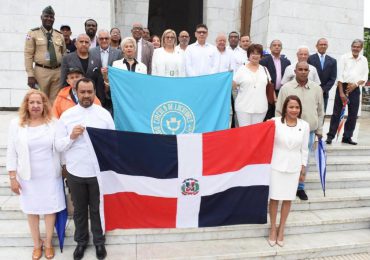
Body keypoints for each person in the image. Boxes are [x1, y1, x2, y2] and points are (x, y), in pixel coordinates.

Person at [55, 78, 115, 260]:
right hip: (75, 171)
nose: (87, 95)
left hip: (98, 172)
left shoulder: (104, 115)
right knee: (80, 210)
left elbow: (113, 142)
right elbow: (58, 145)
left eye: (90, 92)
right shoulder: (67, 116)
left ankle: (99, 241)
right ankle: (81, 241)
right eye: (83, 92)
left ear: (95, 92)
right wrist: (71, 137)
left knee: (97, 209)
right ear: (76, 92)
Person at [6, 89, 66, 259]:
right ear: (26, 105)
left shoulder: (54, 123)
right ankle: (36, 244)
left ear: (44, 105)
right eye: (31, 102)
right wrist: (12, 178)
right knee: (31, 210)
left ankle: (47, 243)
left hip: (49, 175)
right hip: (27, 177)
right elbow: (11, 152)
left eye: (38, 102)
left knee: (49, 210)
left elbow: (62, 149)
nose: (35, 105)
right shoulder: (16, 124)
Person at [276, 61, 324, 201]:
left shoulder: (316, 88)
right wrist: (279, 128)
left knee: (304, 160)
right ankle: (285, 184)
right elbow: (279, 110)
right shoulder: (286, 88)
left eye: (306, 70)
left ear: (309, 72)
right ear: (295, 71)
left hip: (309, 131)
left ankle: (300, 187)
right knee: (287, 156)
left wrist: (320, 129)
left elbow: (321, 111)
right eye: (300, 69)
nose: (303, 72)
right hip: (288, 130)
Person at [268, 95, 309, 247]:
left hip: (294, 167)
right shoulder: (274, 122)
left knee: (287, 199)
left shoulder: (304, 125)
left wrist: (303, 169)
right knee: (274, 198)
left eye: (297, 107)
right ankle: (272, 228)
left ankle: (281, 229)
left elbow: (304, 149)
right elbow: (261, 136)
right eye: (291, 107)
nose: (294, 110)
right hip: (276, 165)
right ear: (285, 108)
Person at [326, 39, 368, 145]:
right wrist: (341, 93)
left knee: (353, 114)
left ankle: (347, 137)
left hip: (355, 88)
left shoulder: (364, 59)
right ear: (351, 47)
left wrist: (356, 85)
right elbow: (339, 76)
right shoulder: (344, 57)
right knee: (336, 113)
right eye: (354, 46)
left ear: (361, 48)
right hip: (342, 86)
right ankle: (330, 136)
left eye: (358, 47)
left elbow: (365, 76)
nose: (355, 48)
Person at [24, 6, 66, 104]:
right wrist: (30, 75)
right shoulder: (32, 33)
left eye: (51, 17)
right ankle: (41, 119)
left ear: (54, 19)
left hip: (57, 72)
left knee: (55, 101)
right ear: (41, 17)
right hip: (41, 72)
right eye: (46, 16)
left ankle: (52, 119)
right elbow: (28, 55)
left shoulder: (59, 35)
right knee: (40, 99)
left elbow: (64, 54)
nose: (49, 19)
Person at [233, 44, 271, 126]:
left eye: (258, 53)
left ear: (261, 56)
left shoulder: (265, 69)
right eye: (253, 53)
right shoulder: (241, 69)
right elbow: (233, 85)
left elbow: (269, 85)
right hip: (243, 108)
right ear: (248, 55)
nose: (255, 56)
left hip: (261, 108)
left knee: (256, 134)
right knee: (245, 133)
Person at [90, 29, 123, 112]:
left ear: (110, 39)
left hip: (112, 87)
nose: (104, 40)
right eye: (101, 38)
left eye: (106, 38)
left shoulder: (118, 53)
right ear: (98, 39)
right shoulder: (91, 52)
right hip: (97, 88)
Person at [260, 39, 291, 119]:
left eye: (279, 45)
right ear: (270, 48)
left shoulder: (286, 62)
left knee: (280, 114)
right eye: (274, 45)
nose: (277, 47)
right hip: (268, 92)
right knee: (268, 115)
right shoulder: (263, 61)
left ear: (281, 48)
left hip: (282, 91)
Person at [308, 38, 337, 111]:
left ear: (327, 46)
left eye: (325, 44)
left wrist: (323, 90)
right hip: (311, 91)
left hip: (324, 93)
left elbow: (333, 78)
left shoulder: (333, 61)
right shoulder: (310, 59)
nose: (323, 46)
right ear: (316, 46)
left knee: (322, 113)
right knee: (310, 112)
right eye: (321, 44)